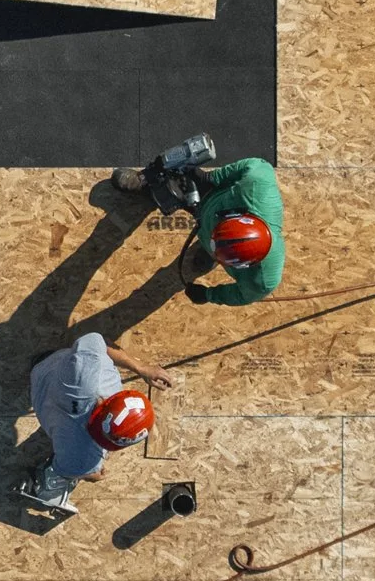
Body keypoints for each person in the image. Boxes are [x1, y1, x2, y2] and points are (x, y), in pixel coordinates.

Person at [20, 330, 175, 515]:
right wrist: (91, 472)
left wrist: (141, 368)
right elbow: (89, 474)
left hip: (43, 369)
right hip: (49, 412)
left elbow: (97, 340)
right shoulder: (84, 458)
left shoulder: (83, 375)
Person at [170, 158, 284, 307]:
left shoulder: (261, 281)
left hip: (215, 216)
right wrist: (211, 178)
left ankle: (210, 253)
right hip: (217, 196)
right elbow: (257, 164)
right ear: (236, 216)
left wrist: (209, 295)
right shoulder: (256, 185)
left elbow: (241, 295)